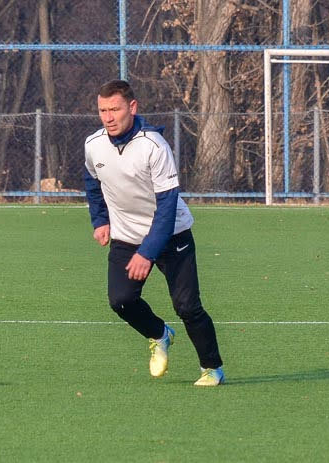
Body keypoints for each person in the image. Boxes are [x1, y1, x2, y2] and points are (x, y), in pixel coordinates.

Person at [83, 79, 224, 386]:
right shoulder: (94, 145)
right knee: (120, 301)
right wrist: (100, 220)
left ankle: (212, 368)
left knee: (187, 306)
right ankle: (160, 334)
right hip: (126, 236)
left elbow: (167, 205)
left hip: (172, 234)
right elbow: (92, 182)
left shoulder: (154, 146)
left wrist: (147, 252)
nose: (108, 117)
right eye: (102, 110)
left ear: (132, 108)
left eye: (115, 109)